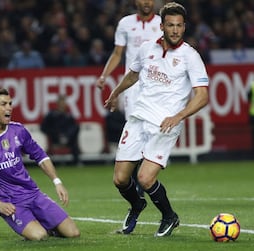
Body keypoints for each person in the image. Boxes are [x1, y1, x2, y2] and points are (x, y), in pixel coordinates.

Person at [104, 2, 209, 237]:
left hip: (165, 124)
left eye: (179, 26)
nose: (175, 30)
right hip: (138, 118)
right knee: (121, 180)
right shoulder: (146, 49)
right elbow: (133, 74)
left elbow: (202, 96)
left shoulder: (190, 56)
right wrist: (115, 93)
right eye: (170, 25)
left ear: (185, 27)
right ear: (161, 26)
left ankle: (169, 216)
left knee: (144, 177)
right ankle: (137, 205)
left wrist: (178, 116)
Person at [0, 88, 80, 241]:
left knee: (73, 233)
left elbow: (40, 155)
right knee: (39, 236)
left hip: (33, 193)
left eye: (10, 104)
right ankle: (38, 226)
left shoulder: (18, 130)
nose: (9, 108)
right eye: (3, 104)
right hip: (9, 202)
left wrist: (57, 181)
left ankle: (43, 223)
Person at [96, 0, 163, 201]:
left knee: (152, 132)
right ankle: (136, 181)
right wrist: (104, 75)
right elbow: (118, 53)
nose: (146, 2)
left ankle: (144, 177)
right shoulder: (125, 24)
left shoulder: (162, 23)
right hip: (133, 88)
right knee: (136, 132)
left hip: (156, 87)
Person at [41, 95, 80, 165]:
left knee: (76, 128)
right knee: (55, 132)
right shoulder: (51, 115)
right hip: (56, 138)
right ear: (57, 103)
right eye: (61, 102)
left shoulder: (68, 116)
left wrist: (67, 136)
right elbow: (43, 127)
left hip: (68, 138)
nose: (62, 104)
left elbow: (74, 127)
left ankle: (76, 162)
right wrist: (54, 134)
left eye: (63, 102)